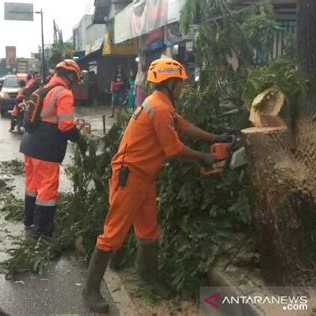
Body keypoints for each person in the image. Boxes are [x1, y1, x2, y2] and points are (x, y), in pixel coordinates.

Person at [82, 58, 230, 313]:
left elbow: (184, 126)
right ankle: (90, 289)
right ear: (170, 83)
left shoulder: (162, 105)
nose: (183, 88)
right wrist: (204, 157)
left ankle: (148, 275)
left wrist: (215, 138)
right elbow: (174, 149)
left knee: (148, 230)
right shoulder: (159, 108)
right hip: (130, 177)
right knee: (113, 233)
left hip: (145, 177)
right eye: (181, 84)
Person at [19, 60, 87, 235]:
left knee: (32, 185)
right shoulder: (63, 93)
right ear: (70, 76)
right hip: (46, 147)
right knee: (47, 188)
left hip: (30, 144)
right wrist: (80, 140)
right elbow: (66, 125)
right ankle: (42, 230)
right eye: (75, 79)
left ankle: (30, 221)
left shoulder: (42, 89)